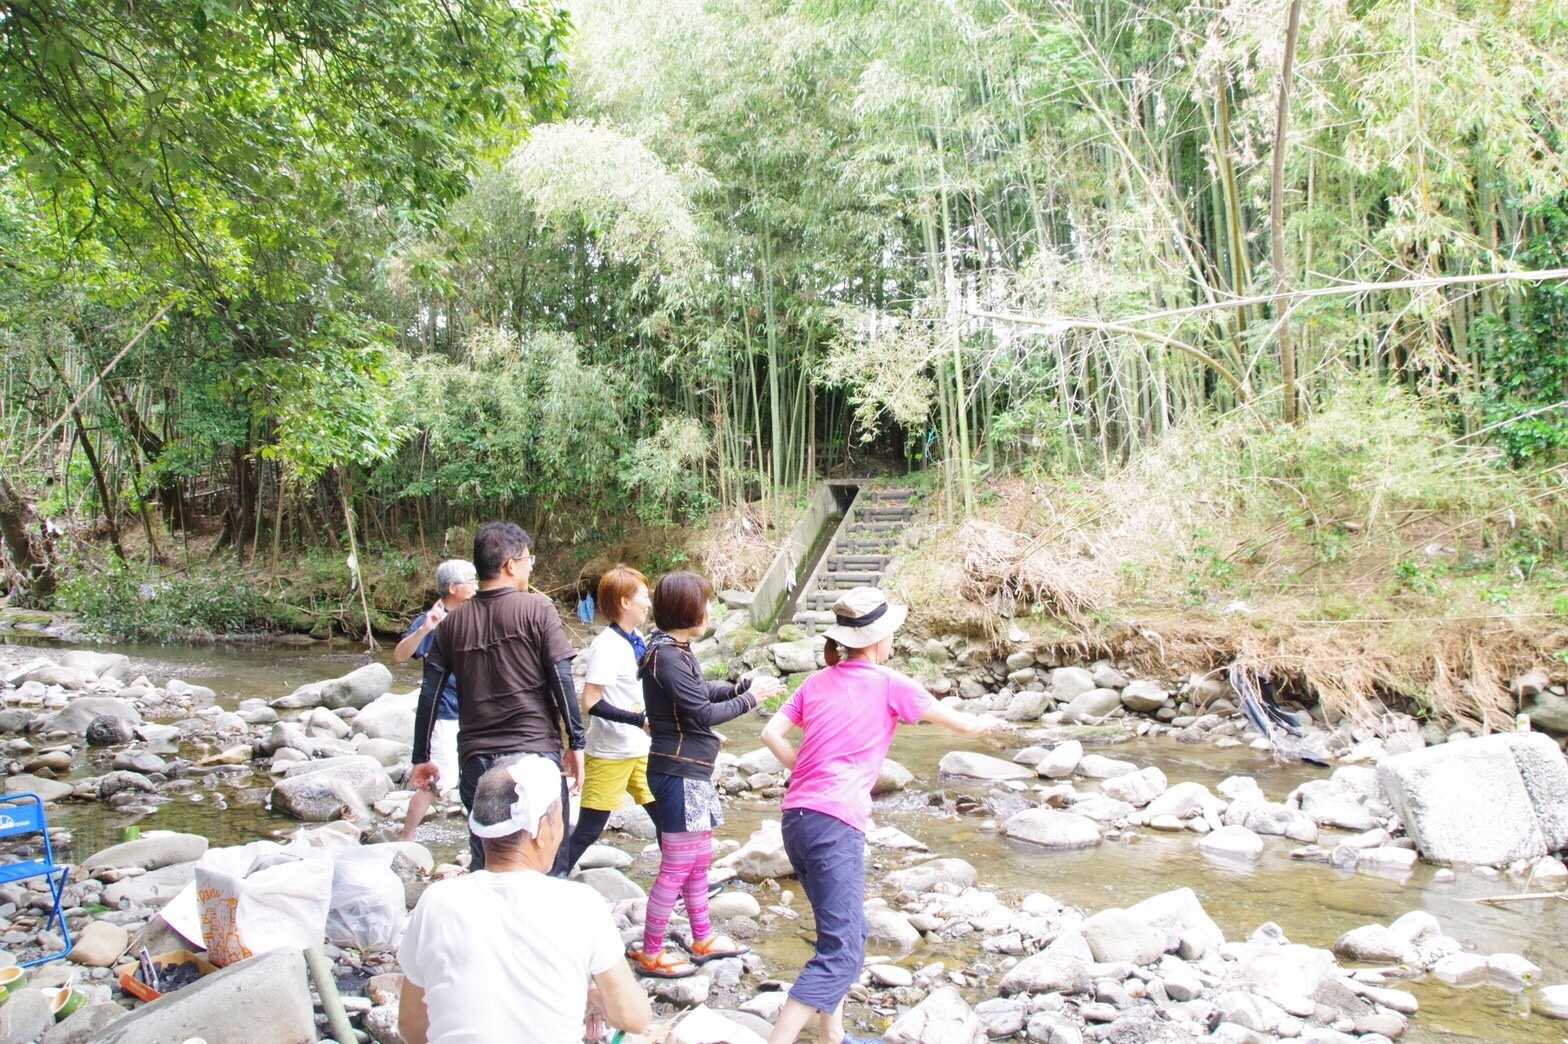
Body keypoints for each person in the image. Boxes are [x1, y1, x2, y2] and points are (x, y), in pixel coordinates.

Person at [759, 587, 1001, 1044]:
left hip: (798, 818)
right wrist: (990, 725)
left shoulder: (815, 682)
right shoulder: (890, 682)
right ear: (877, 640)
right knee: (842, 952)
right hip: (835, 824)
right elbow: (962, 724)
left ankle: (832, 1035)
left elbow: (771, 733)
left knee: (844, 934)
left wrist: (803, 771)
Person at [397, 756, 652, 1044]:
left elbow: (411, 1027)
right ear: (541, 831)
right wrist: (595, 996)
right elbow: (633, 1018)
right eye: (559, 818)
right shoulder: (580, 904)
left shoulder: (437, 901)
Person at [630, 571, 782, 978]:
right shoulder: (666, 656)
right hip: (679, 773)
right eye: (705, 603)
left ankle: (702, 937)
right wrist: (751, 699)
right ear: (686, 609)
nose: (709, 610)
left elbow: (699, 691)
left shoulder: (674, 650)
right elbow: (700, 713)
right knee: (677, 867)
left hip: (690, 773)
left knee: (698, 862)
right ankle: (651, 952)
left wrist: (738, 687)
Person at [412, 522, 586, 875]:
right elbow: (561, 677)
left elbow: (429, 692)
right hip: (534, 754)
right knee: (550, 862)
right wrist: (577, 742)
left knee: (488, 863)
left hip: (478, 761)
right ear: (509, 565)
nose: (530, 568)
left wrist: (421, 757)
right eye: (527, 560)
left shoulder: (451, 624)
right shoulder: (538, 610)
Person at [564, 564, 660, 871]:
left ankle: (683, 883)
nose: (648, 603)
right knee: (589, 830)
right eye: (643, 596)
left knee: (668, 820)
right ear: (625, 602)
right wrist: (639, 721)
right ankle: (553, 877)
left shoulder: (637, 638)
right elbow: (590, 702)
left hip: (640, 751)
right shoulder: (607, 646)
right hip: (610, 753)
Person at [395, 559, 477, 842]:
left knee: (477, 774)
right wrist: (425, 630)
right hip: (444, 712)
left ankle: (481, 840)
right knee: (440, 778)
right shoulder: (432, 619)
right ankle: (406, 838)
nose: (476, 585)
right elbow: (400, 656)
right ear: (453, 588)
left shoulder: (476, 615)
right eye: (471, 580)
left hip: (474, 712)